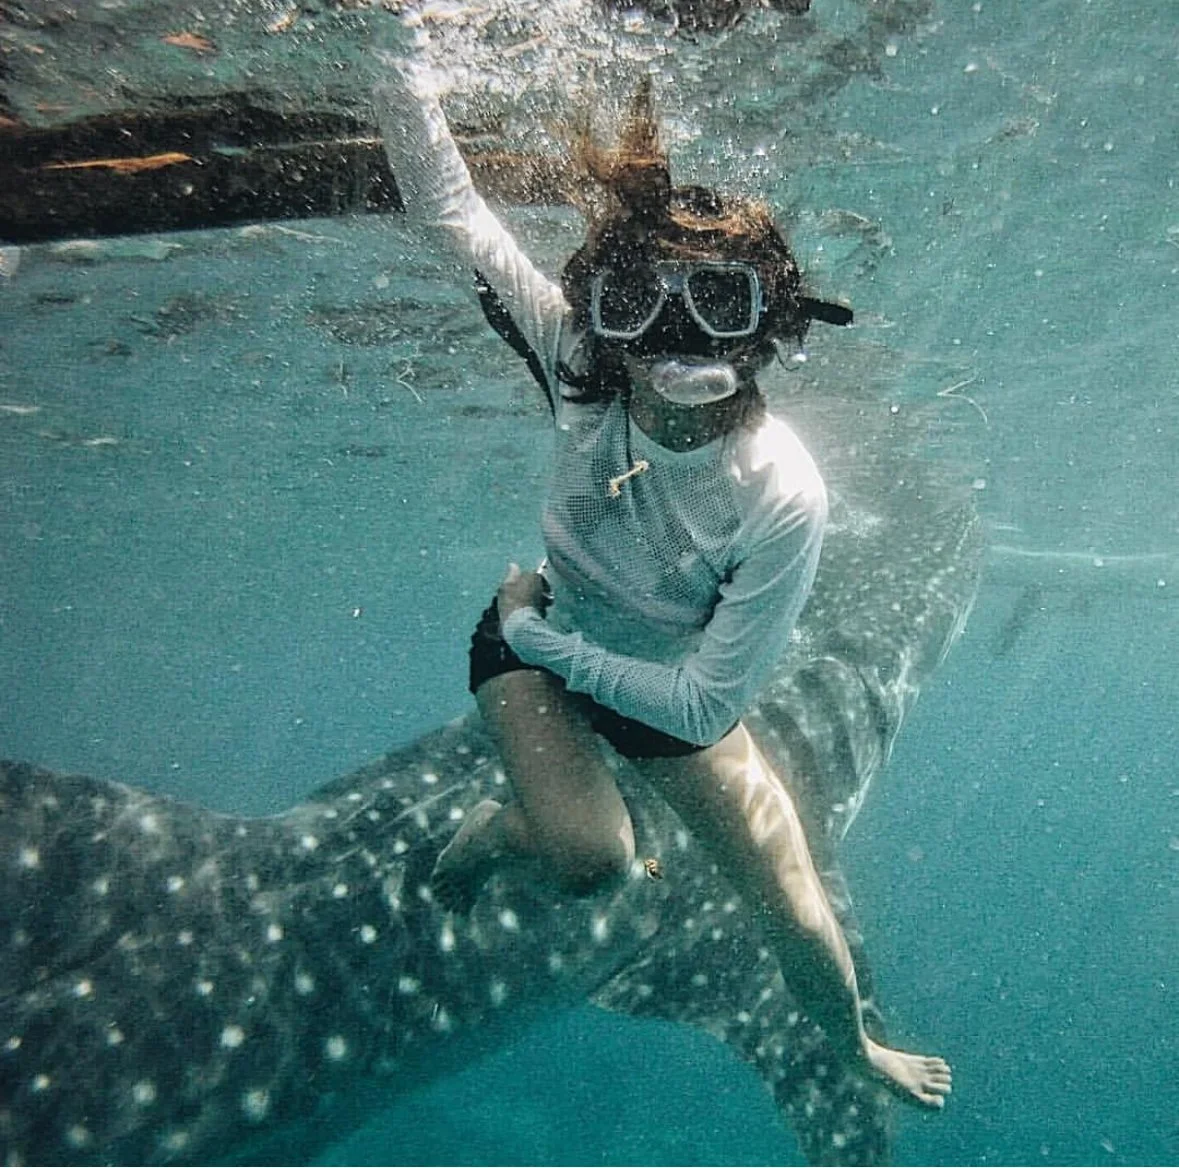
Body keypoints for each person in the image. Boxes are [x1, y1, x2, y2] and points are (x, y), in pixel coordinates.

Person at [373, 27, 951, 1110]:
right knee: (593, 862)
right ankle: (501, 832)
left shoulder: (783, 491)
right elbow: (451, 212)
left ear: (769, 328)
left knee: (794, 903)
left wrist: (545, 638)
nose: (678, 337)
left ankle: (857, 1047)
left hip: (630, 672)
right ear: (603, 320)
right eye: (639, 305)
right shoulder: (576, 370)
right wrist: (394, 51)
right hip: (536, 644)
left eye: (719, 306)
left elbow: (703, 703)